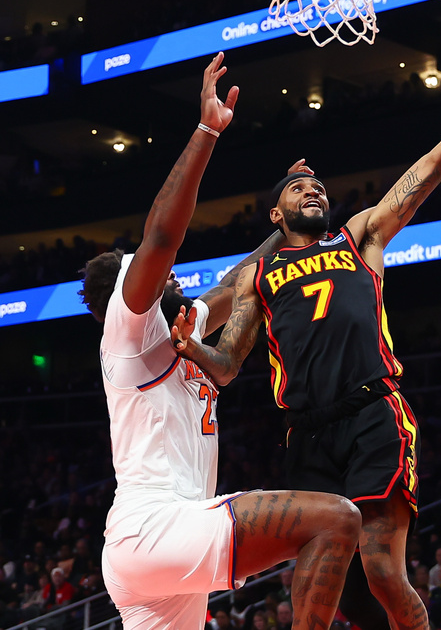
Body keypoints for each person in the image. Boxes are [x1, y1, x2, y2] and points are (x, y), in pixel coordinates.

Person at [171, 38, 441, 630]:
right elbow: (228, 363)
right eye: (298, 188)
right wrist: (191, 346)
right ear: (275, 215)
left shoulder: (358, 238)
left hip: (373, 413)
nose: (313, 190)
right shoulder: (256, 277)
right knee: (333, 588)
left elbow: (436, 162)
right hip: (307, 435)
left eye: (317, 186)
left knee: (382, 569)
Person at [79, 52, 361, 630]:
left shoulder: (180, 327)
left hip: (155, 550)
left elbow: (238, 284)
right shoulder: (128, 329)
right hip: (155, 527)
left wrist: (285, 219)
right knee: (337, 520)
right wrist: (207, 131)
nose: (178, 280)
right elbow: (163, 233)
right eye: (166, 276)